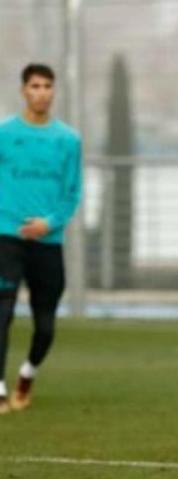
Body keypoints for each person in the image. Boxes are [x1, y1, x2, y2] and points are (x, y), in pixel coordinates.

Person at [0, 64, 82, 415]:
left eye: (48, 86)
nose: (42, 92)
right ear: (24, 90)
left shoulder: (68, 140)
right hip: (7, 238)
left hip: (48, 243)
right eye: (35, 86)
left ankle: (27, 375)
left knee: (45, 325)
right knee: (2, 313)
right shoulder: (4, 134)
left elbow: (72, 193)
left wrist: (47, 223)